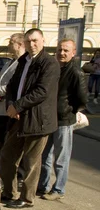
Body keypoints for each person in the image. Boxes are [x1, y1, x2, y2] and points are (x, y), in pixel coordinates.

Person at [0, 28, 60, 209]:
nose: (32, 44)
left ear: (43, 41)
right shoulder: (23, 61)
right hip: (18, 117)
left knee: (31, 161)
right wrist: (11, 105)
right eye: (28, 41)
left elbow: (42, 91)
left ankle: (27, 198)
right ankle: (9, 192)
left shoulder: (49, 63)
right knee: (7, 155)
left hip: (37, 119)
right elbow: (11, 86)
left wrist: (17, 106)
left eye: (35, 41)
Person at [37, 39, 88, 201]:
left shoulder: (75, 72)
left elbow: (82, 98)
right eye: (59, 50)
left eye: (66, 50)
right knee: (45, 156)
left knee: (61, 158)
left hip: (64, 121)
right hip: (50, 119)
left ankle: (58, 188)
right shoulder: (55, 68)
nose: (62, 53)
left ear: (73, 53)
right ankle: (42, 185)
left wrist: (69, 110)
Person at [0, 33, 26, 165]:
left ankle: (10, 174)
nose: (8, 45)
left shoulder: (23, 63)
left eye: (11, 42)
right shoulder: (9, 62)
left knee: (8, 146)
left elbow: (15, 84)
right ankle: (1, 172)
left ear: (20, 44)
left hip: (10, 110)